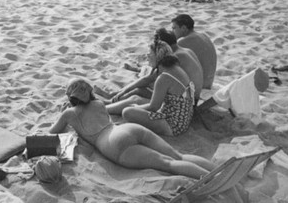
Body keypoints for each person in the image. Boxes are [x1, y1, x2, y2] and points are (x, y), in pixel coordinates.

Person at [49, 78, 214, 179]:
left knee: (168, 164)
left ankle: (209, 179)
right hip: (128, 128)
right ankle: (216, 171)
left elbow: (52, 132)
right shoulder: (98, 103)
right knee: (178, 155)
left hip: (112, 143)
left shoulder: (69, 114)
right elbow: (112, 106)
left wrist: (63, 113)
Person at [121, 41, 195, 136]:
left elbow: (153, 107)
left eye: (150, 54)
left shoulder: (164, 77)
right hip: (182, 120)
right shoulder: (175, 69)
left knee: (127, 112)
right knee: (137, 99)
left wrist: (136, 107)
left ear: (158, 57)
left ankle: (108, 108)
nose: (147, 56)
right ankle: (107, 107)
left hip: (172, 125)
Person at [171, 14, 217, 89]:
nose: (172, 32)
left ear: (183, 28)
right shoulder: (203, 36)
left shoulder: (184, 41)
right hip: (209, 83)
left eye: (174, 28)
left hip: (200, 87)